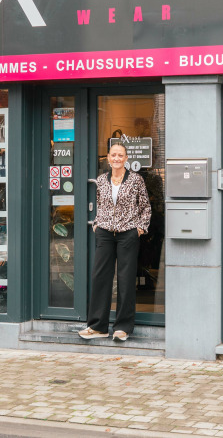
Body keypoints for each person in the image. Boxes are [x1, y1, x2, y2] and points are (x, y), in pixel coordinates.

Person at [79, 142, 151, 342]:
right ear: (108, 158)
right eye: (113, 155)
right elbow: (101, 205)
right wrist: (96, 223)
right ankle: (97, 326)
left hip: (128, 233)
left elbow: (145, 206)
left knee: (126, 279)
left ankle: (122, 327)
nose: (117, 158)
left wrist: (140, 228)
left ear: (126, 159)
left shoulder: (136, 180)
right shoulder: (102, 180)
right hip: (104, 232)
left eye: (121, 155)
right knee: (100, 277)